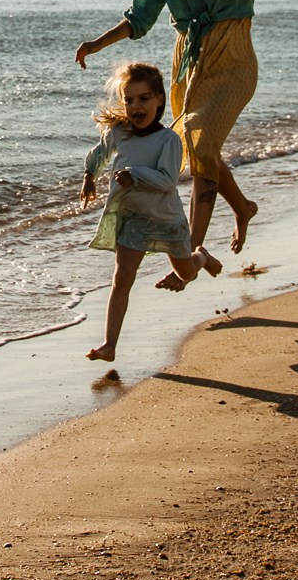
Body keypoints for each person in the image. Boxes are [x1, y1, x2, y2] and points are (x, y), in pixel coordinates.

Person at [75, 0, 287, 273]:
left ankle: (191, 249)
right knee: (196, 143)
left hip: (234, 59)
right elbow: (139, 16)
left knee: (201, 146)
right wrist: (98, 44)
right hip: (189, 65)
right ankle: (243, 207)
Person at [79, 61, 220, 363]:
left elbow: (167, 181)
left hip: (167, 220)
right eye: (129, 100)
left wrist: (135, 174)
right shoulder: (121, 133)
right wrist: (90, 175)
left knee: (185, 273)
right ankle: (109, 344)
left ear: (159, 99)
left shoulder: (168, 140)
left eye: (143, 98)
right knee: (122, 279)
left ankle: (201, 257)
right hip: (133, 219)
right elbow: (99, 152)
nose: (135, 106)